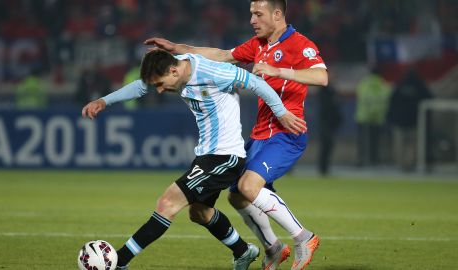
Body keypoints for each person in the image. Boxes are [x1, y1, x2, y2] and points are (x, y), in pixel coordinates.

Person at [81, 49, 306, 270]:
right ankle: (243, 251)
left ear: (173, 71)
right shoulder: (175, 66)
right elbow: (141, 86)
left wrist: (281, 112)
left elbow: (255, 83)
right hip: (207, 155)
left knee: (167, 203)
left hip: (225, 157)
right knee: (199, 213)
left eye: (160, 84)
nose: (158, 91)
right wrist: (104, 101)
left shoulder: (213, 72)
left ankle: (120, 261)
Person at [145, 1, 327, 269]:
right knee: (236, 195)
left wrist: (279, 71)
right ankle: (273, 248)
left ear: (277, 14)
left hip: (286, 132)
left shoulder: (299, 44)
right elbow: (219, 54)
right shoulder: (258, 44)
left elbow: (321, 77)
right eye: (251, 14)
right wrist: (178, 49)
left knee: (248, 187)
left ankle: (304, 238)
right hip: (261, 134)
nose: (252, 19)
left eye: (258, 14)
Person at [387, 68, 432, 171]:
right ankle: (409, 164)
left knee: (399, 144)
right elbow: (430, 98)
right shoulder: (420, 86)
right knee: (412, 145)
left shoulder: (399, 85)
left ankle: (400, 164)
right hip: (414, 121)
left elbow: (391, 102)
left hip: (399, 121)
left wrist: (391, 118)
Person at [355, 66, 391, 167]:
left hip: (363, 117)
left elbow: (360, 97)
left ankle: (362, 161)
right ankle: (374, 161)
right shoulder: (384, 85)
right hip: (378, 118)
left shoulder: (364, 83)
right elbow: (387, 99)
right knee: (375, 142)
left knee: (363, 141)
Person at [317, 83, 342, 176]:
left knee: (328, 146)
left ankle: (324, 168)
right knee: (326, 145)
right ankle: (323, 168)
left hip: (330, 123)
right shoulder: (325, 91)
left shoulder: (330, 91)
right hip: (326, 122)